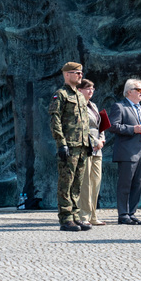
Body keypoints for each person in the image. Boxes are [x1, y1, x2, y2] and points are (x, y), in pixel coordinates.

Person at [108, 78, 141, 225]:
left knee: (138, 183)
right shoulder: (120, 107)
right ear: (129, 91)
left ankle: (132, 213)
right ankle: (123, 214)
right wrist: (132, 129)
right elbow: (113, 126)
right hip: (127, 152)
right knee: (125, 184)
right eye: (139, 90)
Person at [48, 62, 91, 231]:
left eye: (81, 72)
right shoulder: (61, 95)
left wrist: (87, 142)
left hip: (81, 145)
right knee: (66, 183)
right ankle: (65, 218)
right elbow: (55, 120)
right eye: (76, 73)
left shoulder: (80, 96)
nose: (80, 75)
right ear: (67, 75)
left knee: (77, 183)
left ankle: (75, 215)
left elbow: (84, 122)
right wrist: (61, 143)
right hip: (69, 145)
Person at [77, 78, 106, 226]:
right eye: (88, 88)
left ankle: (93, 215)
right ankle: (84, 216)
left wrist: (101, 139)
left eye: (92, 88)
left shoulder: (93, 105)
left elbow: (100, 125)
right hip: (86, 147)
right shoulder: (78, 105)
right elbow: (81, 127)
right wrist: (95, 142)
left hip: (97, 148)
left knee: (96, 182)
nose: (91, 91)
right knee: (86, 184)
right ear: (80, 90)